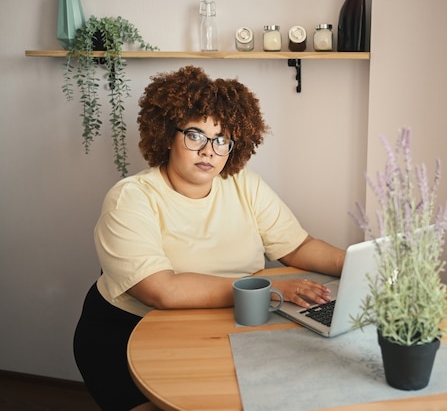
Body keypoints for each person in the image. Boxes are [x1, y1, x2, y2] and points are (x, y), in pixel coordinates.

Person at [73, 65, 346, 411]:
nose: (209, 151)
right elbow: (162, 289)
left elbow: (299, 247)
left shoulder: (244, 184)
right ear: (167, 135)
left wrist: (353, 262)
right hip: (128, 334)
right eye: (195, 135)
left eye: (221, 140)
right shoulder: (131, 197)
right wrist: (269, 291)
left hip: (220, 323)